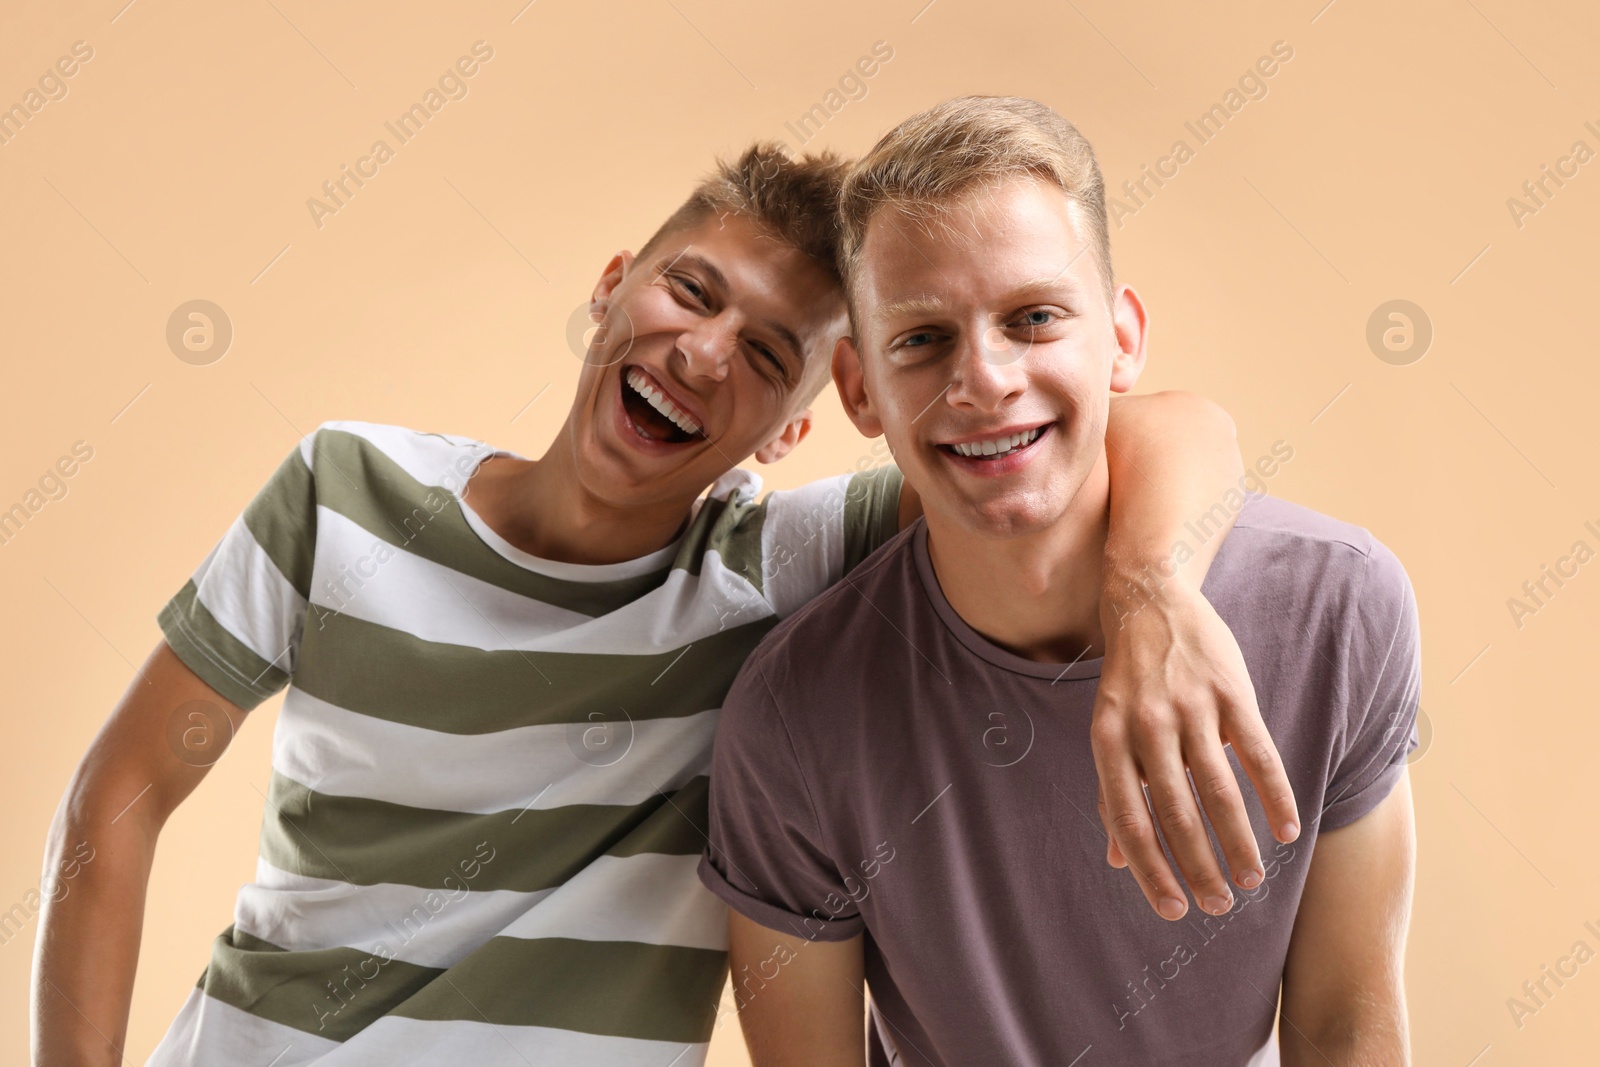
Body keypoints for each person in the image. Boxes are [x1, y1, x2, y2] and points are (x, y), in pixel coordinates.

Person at [32, 141, 1292, 1067]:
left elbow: (1153, 424)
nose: (702, 352)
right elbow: (117, 799)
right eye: (692, 293)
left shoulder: (769, 575)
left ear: (794, 426)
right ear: (613, 282)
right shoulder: (342, 492)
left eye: (761, 355)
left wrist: (1151, 593)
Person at [701, 97, 1420, 1067]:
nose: (985, 379)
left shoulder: (1336, 609)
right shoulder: (790, 712)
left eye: (1033, 318)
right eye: (921, 338)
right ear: (859, 387)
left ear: (1121, 338)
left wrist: (1152, 594)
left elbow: (1345, 1025)